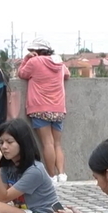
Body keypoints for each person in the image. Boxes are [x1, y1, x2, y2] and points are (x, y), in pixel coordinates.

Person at [18, 38, 69, 183]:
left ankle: (51, 176)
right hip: (58, 108)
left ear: (36, 51)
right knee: (57, 143)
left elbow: (22, 74)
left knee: (47, 143)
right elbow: (67, 74)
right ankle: (62, 174)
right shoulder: (58, 62)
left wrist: (26, 59)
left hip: (40, 107)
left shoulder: (34, 62)